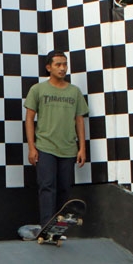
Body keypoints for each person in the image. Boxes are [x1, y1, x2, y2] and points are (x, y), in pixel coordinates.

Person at [24, 50, 88, 226]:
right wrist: (31, 147)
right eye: (58, 64)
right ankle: (47, 225)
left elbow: (79, 120)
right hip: (45, 147)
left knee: (65, 188)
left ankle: (59, 226)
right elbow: (29, 119)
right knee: (47, 187)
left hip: (68, 148)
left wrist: (82, 147)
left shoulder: (74, 91)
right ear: (48, 67)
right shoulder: (38, 89)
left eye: (65, 64)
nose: (62, 68)